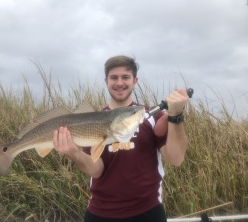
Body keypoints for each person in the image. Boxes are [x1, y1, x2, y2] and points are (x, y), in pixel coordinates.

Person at [53, 55, 189, 222]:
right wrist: (74, 153)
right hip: (101, 213)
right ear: (106, 81)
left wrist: (176, 115)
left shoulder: (151, 117)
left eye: (125, 77)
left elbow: (176, 159)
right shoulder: (92, 120)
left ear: (135, 81)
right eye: (113, 77)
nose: (119, 83)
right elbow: (96, 170)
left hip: (148, 211)